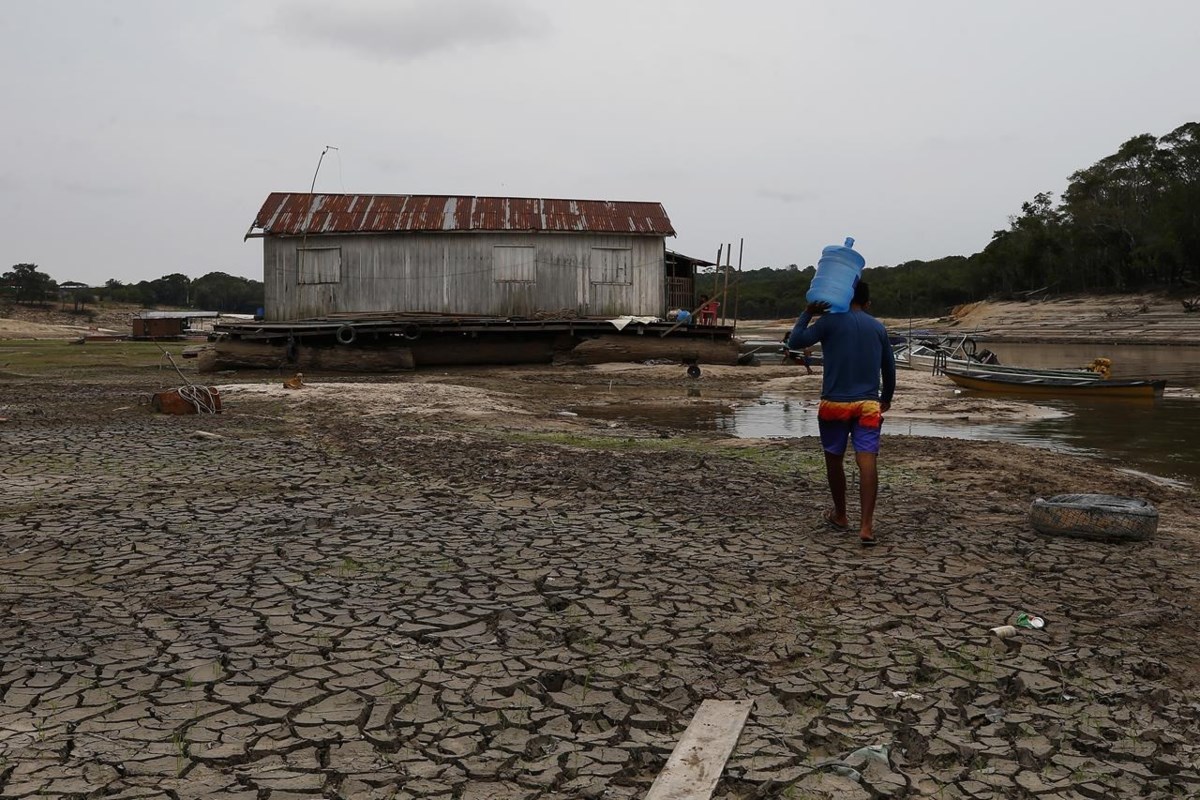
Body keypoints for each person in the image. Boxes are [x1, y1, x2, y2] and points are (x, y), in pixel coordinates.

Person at [787, 281, 895, 546]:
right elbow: (889, 369)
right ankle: (866, 527)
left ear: (842, 296)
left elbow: (796, 341)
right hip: (868, 405)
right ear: (867, 303)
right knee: (867, 460)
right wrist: (886, 399)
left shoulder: (829, 322)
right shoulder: (877, 327)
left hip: (834, 404)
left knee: (834, 459)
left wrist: (808, 312)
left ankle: (841, 515)